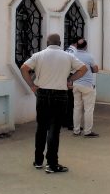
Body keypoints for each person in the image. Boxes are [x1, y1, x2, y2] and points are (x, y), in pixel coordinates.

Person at [20, 33, 87, 174]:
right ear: (60, 43)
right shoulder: (68, 56)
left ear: (47, 42)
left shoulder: (39, 55)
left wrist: (32, 85)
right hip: (60, 95)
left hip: (42, 94)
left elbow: (24, 68)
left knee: (41, 128)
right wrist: (70, 80)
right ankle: (52, 164)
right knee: (54, 129)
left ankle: (38, 161)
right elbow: (83, 69)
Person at [70, 38, 99, 138]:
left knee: (77, 108)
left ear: (76, 46)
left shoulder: (72, 55)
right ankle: (87, 131)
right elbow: (95, 69)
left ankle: (76, 130)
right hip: (87, 85)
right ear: (86, 46)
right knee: (88, 109)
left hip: (76, 84)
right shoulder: (89, 56)